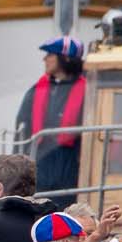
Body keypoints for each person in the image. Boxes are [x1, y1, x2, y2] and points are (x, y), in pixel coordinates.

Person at [12, 36, 88, 201]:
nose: (44, 59)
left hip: (71, 164)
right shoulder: (36, 91)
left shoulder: (89, 92)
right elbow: (22, 129)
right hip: (41, 162)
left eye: (50, 55)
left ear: (65, 58)